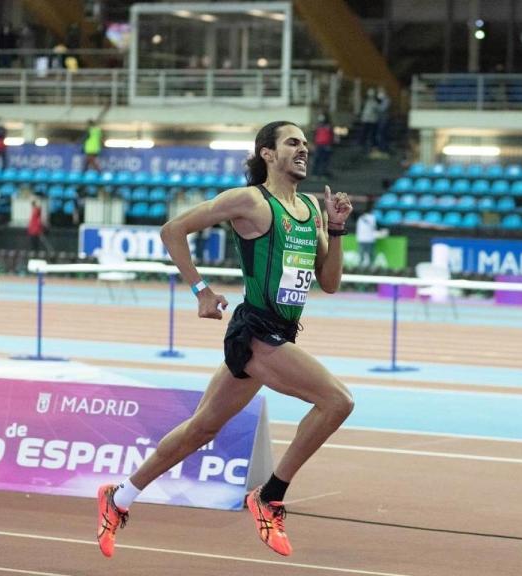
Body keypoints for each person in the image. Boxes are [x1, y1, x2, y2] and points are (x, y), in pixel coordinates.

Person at [95, 120, 355, 560]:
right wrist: (201, 291)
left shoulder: (311, 209)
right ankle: (269, 496)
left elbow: (328, 283)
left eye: (306, 143)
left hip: (279, 333)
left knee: (202, 427)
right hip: (256, 331)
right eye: (292, 142)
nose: (303, 149)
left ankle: (120, 496)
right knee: (337, 401)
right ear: (267, 154)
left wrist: (334, 228)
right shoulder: (250, 201)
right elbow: (172, 230)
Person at [356, 201, 381, 268]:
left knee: (370, 254)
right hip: (363, 239)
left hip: (369, 239)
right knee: (362, 255)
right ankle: (360, 267)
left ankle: (371, 267)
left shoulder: (372, 218)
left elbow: (374, 227)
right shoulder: (361, 218)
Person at [312, 112, 334, 177]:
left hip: (326, 145)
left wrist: (330, 144)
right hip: (319, 144)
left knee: (325, 160)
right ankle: (315, 173)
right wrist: (314, 144)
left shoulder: (329, 126)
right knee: (317, 160)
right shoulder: (318, 126)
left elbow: (331, 136)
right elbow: (315, 135)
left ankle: (324, 173)